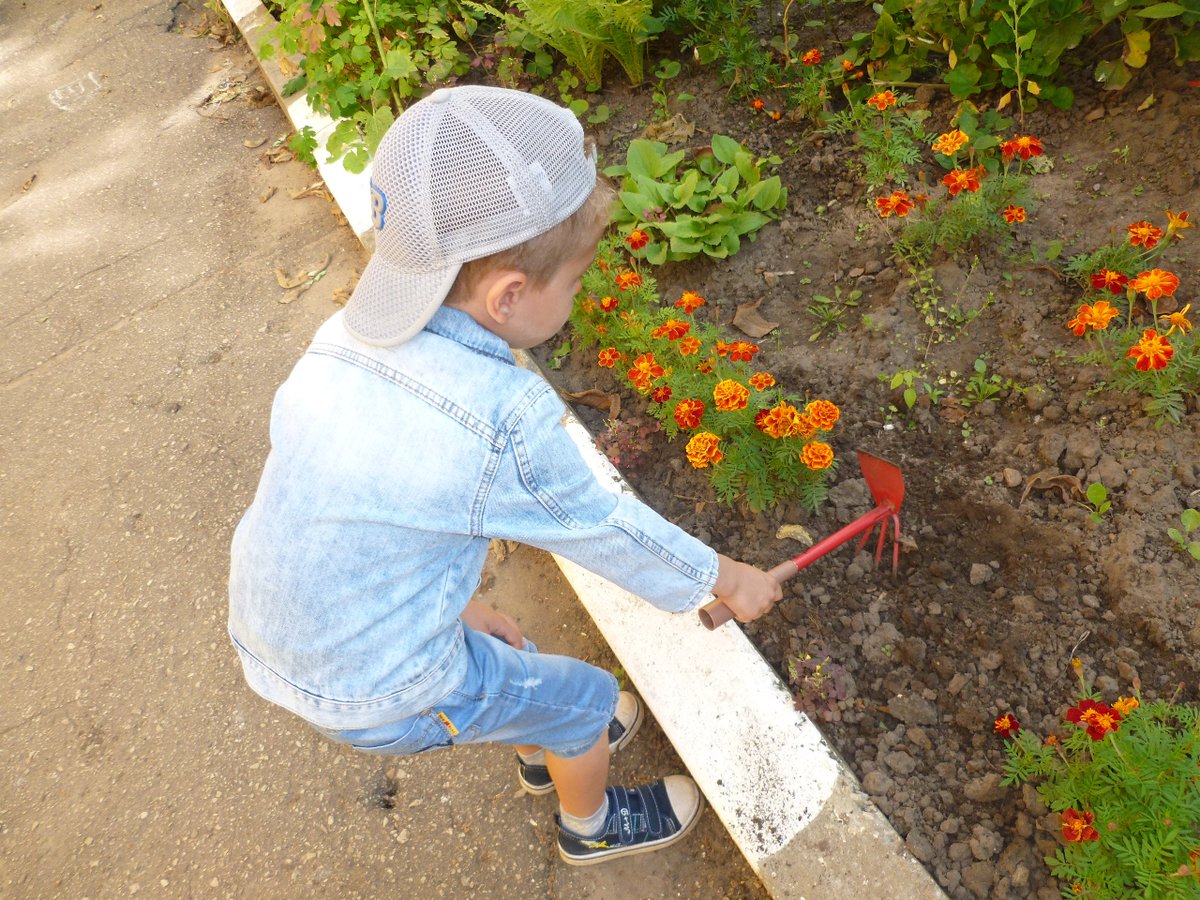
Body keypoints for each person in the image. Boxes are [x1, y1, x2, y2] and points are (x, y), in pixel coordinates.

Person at [227, 85, 782, 865]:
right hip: (379, 687)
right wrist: (721, 578)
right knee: (587, 706)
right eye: (578, 281)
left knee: (506, 642)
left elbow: (352, 516)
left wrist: (461, 606)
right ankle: (590, 825)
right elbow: (601, 527)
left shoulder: (339, 342)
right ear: (510, 296)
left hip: (281, 631)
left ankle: (522, 723)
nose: (581, 293)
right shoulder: (501, 417)